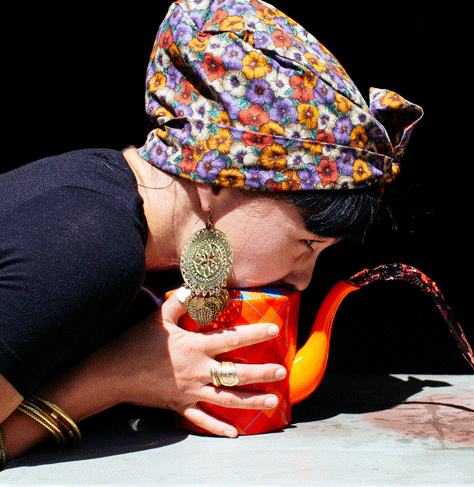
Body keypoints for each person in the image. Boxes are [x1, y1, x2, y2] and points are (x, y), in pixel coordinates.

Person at [0, 0, 421, 466]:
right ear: (217, 179)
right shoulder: (90, 244)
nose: (303, 279)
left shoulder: (105, 197)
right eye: (307, 244)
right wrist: (112, 379)